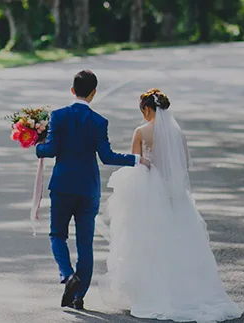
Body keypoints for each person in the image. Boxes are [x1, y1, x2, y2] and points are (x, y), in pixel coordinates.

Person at [104, 88, 244, 322]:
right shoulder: (178, 133)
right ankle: (187, 292)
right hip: (175, 195)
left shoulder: (141, 132)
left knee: (149, 242)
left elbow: (135, 165)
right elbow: (183, 164)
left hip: (150, 194)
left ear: (147, 109)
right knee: (182, 243)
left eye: (143, 111)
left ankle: (153, 292)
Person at [35, 69, 150, 311]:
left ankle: (68, 276)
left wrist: (37, 145)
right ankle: (79, 297)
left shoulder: (58, 116)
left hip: (63, 186)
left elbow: (51, 149)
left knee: (57, 235)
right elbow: (107, 157)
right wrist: (137, 160)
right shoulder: (99, 121)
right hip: (88, 189)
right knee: (85, 245)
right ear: (94, 93)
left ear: (72, 90)